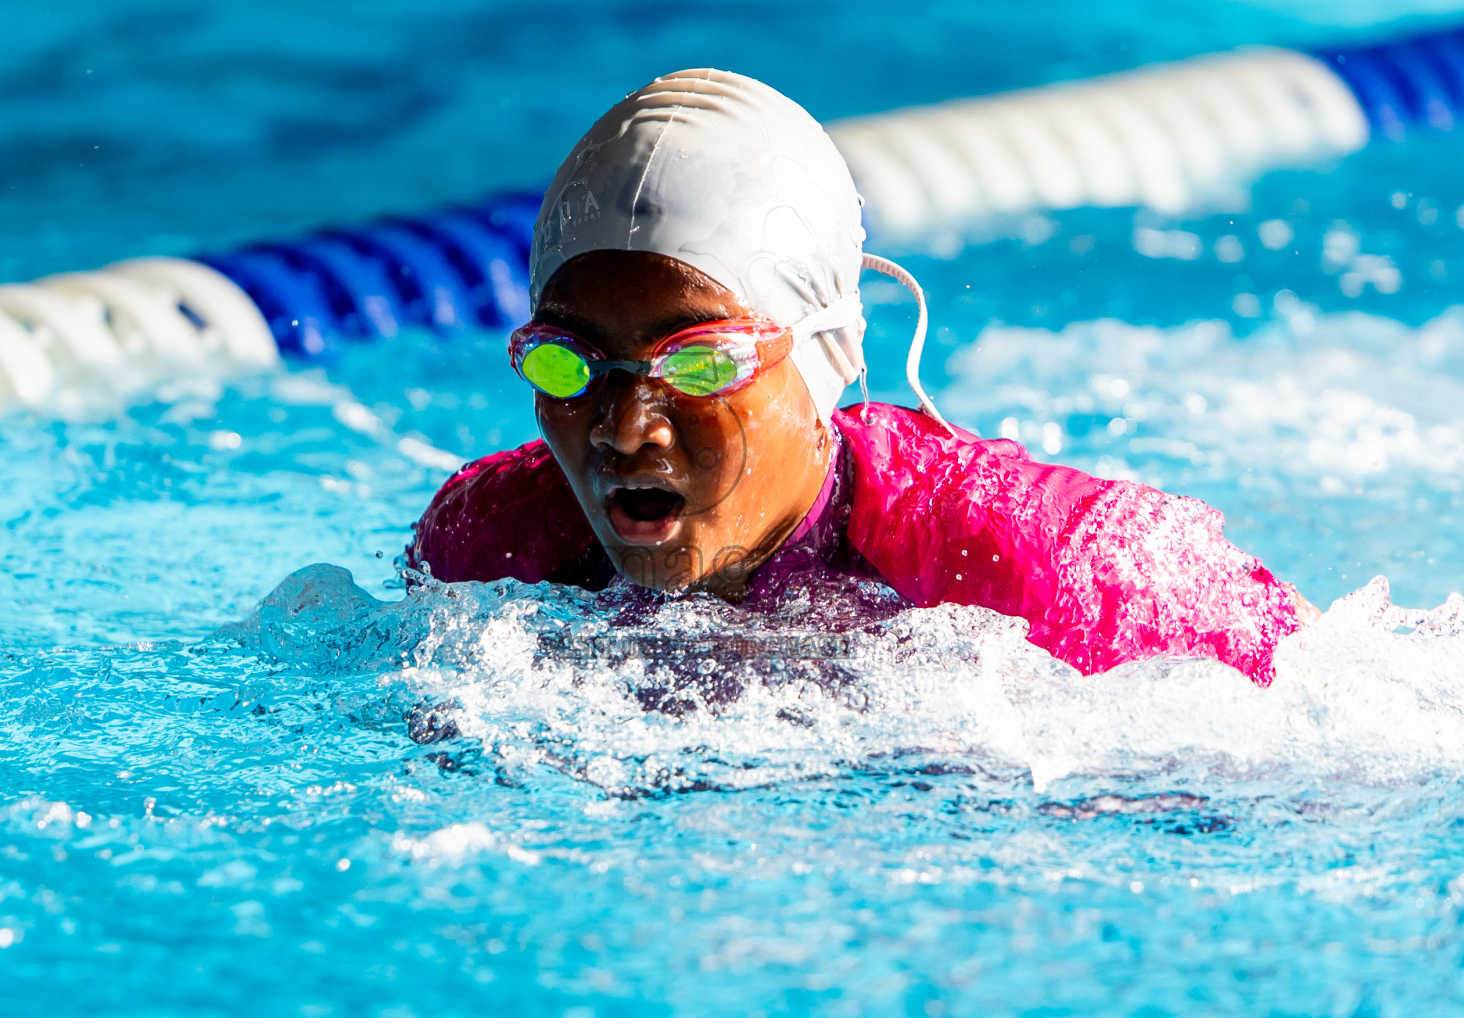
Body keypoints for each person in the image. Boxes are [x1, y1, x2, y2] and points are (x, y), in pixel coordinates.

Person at [406, 68, 1315, 685]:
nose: (622, 428)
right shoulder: (490, 547)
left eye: (701, 361)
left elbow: (1349, 719)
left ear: (822, 355)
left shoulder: (1047, 562)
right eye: (570, 362)